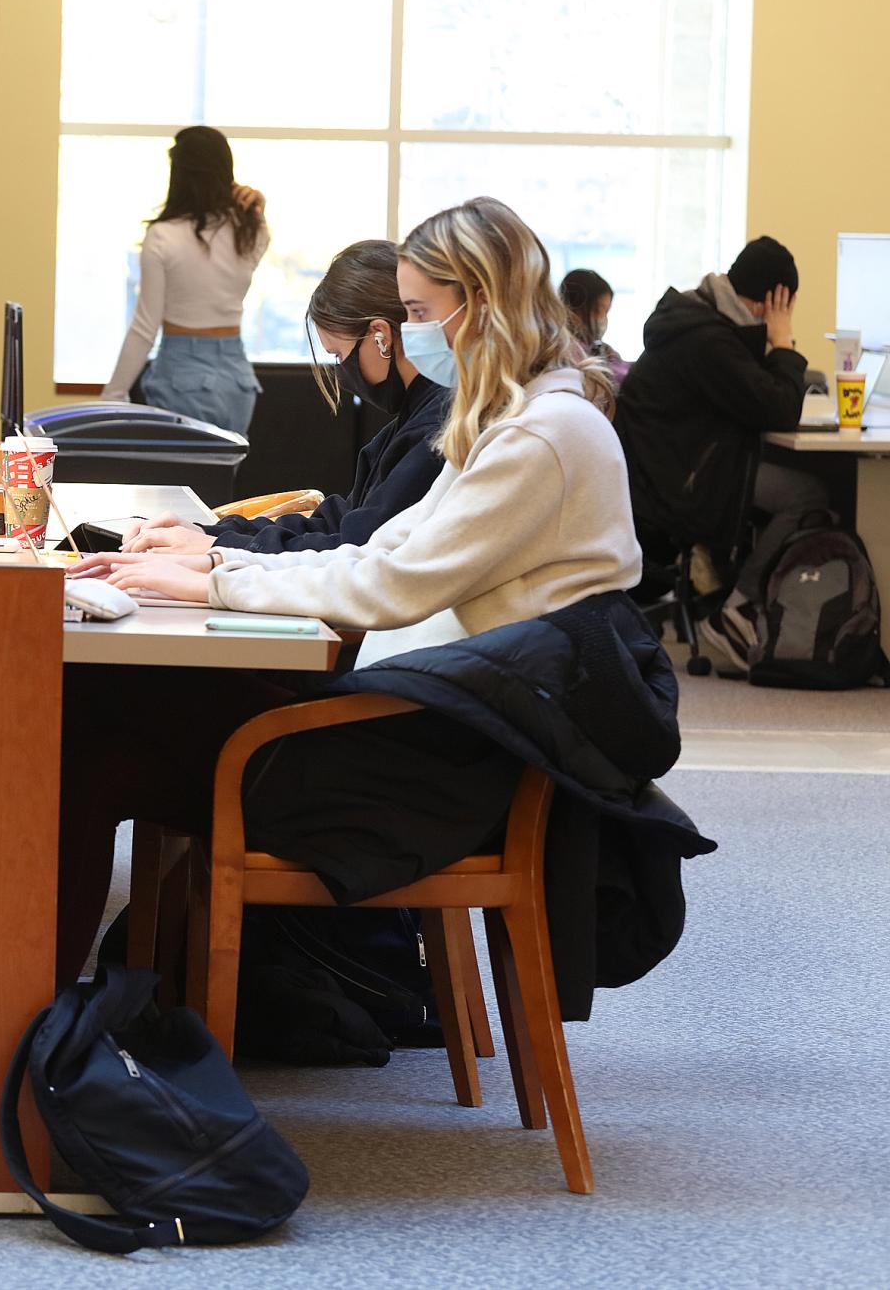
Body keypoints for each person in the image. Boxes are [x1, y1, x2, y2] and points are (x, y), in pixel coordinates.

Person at [55, 197, 645, 984]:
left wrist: (217, 580)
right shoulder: (516, 421)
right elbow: (383, 548)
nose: (407, 335)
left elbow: (386, 585)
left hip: (437, 764)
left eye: (417, 312)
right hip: (430, 722)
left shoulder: (541, 438)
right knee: (108, 718)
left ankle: (31, 1021)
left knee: (99, 726)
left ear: (481, 303)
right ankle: (41, 1011)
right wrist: (211, 572)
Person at [115, 239, 451, 558]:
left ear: (381, 336)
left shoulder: (433, 431)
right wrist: (210, 534)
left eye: (339, 355)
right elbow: (337, 521)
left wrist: (218, 549)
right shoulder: (411, 420)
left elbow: (353, 549)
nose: (341, 372)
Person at [613, 236, 817, 588]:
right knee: (807, 495)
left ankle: (729, 582)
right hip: (680, 482)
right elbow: (781, 409)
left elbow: (758, 393)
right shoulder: (709, 340)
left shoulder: (697, 318)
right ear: (772, 301)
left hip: (665, 469)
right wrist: (783, 343)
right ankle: (741, 607)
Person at [99, 126, 269, 434]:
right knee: (222, 480)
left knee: (181, 480)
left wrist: (113, 394)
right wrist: (257, 209)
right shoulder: (250, 232)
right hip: (238, 379)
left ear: (178, 173)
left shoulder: (163, 237)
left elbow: (145, 327)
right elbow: (259, 231)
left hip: (181, 373)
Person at [558, 267, 622, 366]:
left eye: (607, 311)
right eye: (597, 310)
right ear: (571, 309)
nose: (602, 318)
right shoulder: (561, 353)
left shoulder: (603, 351)